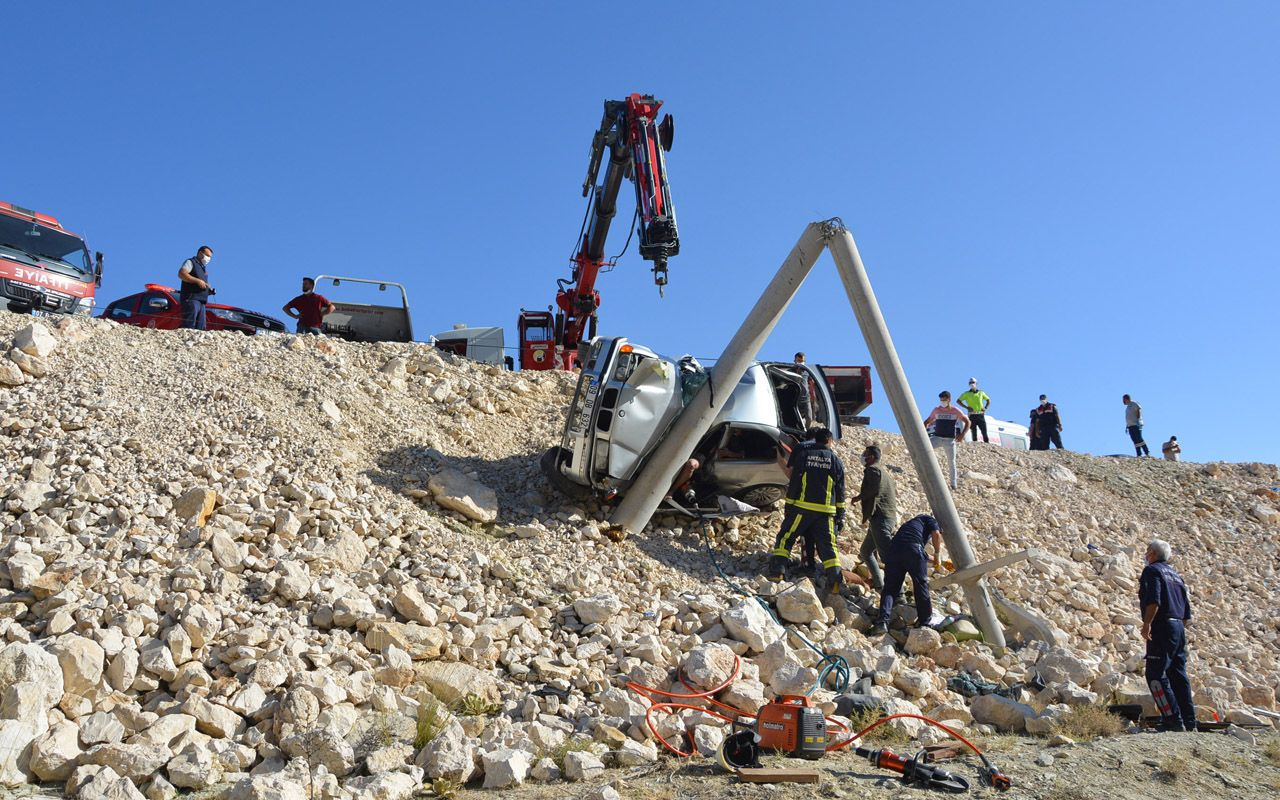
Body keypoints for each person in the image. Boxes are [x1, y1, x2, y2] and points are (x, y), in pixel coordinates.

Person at [765, 427, 845, 594]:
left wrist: (789, 505)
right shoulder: (836, 461)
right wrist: (840, 515)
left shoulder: (804, 456)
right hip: (826, 512)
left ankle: (777, 573)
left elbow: (794, 483)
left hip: (802, 508)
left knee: (786, 537)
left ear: (816, 440)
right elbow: (840, 490)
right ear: (829, 441)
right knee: (829, 547)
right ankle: (835, 582)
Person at [1139, 539, 1196, 732]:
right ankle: (1189, 721)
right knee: (1178, 674)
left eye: (1148, 551)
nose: (1146, 555)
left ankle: (1172, 719)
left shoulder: (1152, 571)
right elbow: (1187, 612)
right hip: (1179, 627)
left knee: (1155, 674)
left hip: (1162, 625)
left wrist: (1147, 624)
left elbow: (1153, 600)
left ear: (1153, 554)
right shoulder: (1176, 576)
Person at [867, 514, 946, 635]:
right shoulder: (929, 519)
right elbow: (935, 534)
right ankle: (925, 621)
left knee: (890, 589)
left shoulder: (912, 527)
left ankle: (882, 622)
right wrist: (937, 553)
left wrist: (938, 561)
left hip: (894, 551)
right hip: (912, 550)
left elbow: (917, 552)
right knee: (921, 585)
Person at [849, 444, 896, 593]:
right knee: (865, 552)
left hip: (881, 519)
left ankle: (898, 593)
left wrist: (858, 497)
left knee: (888, 558)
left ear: (872, 457)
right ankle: (879, 584)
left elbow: (874, 489)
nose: (863, 456)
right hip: (881, 518)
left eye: (866, 454)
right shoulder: (884, 472)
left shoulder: (873, 470)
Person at [923, 391, 969, 490]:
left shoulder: (955, 410)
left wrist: (962, 434)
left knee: (951, 462)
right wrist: (923, 432)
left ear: (949, 399)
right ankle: (925, 475)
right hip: (937, 438)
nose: (942, 402)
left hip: (950, 441)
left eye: (944, 400)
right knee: (923, 449)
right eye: (941, 400)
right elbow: (927, 421)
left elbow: (968, 422)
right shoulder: (936, 410)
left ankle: (953, 484)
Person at [177, 246, 214, 330]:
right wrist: (197, 281)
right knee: (189, 325)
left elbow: (202, 283)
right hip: (191, 299)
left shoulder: (203, 269)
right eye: (207, 255)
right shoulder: (191, 262)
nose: (208, 259)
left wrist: (209, 290)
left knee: (200, 328)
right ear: (200, 253)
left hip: (202, 302)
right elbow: (182, 274)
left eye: (210, 257)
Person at [958, 378, 991, 443]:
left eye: (973, 382)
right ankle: (975, 444)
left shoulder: (981, 392)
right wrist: (966, 407)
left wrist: (985, 407)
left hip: (980, 414)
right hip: (972, 414)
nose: (972, 384)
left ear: (976, 383)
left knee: (984, 430)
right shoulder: (966, 393)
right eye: (970, 383)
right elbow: (958, 401)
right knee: (973, 431)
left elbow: (988, 400)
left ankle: (987, 444)